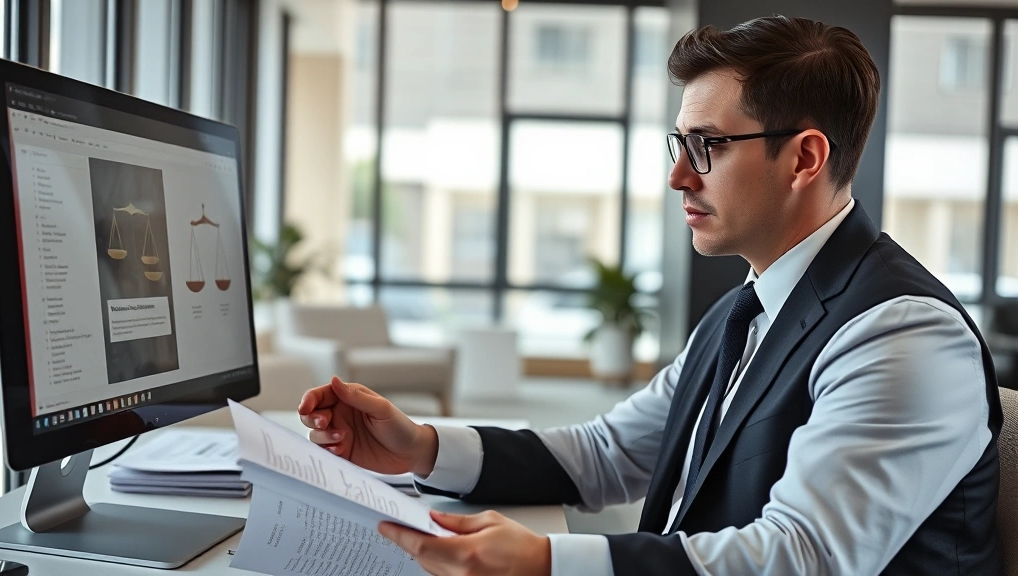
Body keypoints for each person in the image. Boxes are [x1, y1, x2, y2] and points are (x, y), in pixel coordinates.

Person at [298, 15, 1002, 576]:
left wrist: (546, 561)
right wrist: (419, 447)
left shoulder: (902, 334)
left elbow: (807, 557)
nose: (678, 179)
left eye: (708, 146)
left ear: (804, 159)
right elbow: (605, 454)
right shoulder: (745, 312)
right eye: (679, 144)